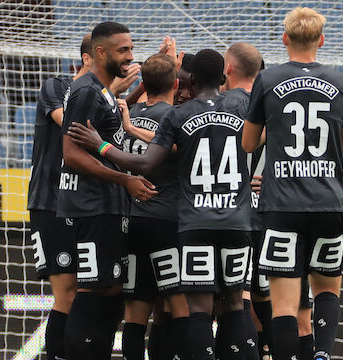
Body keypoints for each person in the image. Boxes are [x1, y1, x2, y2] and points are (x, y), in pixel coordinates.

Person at [67, 48, 253, 360]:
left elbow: (146, 163)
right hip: (235, 219)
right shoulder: (241, 105)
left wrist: (100, 144)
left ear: (190, 81)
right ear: (223, 78)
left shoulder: (178, 116)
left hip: (188, 223)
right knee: (235, 303)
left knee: (189, 309)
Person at [242, 7, 343, 360]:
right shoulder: (341, 81)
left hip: (281, 205)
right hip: (327, 202)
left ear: (284, 38)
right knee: (326, 290)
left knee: (285, 307)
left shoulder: (267, 79)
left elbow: (248, 143)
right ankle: (322, 353)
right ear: (321, 40)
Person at [57, 21, 157, 359]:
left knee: (113, 290)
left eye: (131, 48)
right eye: (123, 50)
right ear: (101, 53)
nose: (130, 55)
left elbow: (107, 128)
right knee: (93, 291)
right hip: (92, 206)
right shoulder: (86, 90)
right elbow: (70, 154)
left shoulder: (102, 91)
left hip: (109, 205)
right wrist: (124, 180)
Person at [119, 53, 191, 360]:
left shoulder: (130, 112)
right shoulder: (173, 117)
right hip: (166, 220)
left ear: (143, 83)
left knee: (136, 312)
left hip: (134, 221)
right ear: (176, 84)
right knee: (179, 305)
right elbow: (181, 149)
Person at [27, 33, 92, 360]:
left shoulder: (105, 95)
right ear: (89, 57)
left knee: (89, 293)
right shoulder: (56, 86)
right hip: (50, 202)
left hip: (87, 205)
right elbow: (68, 123)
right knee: (65, 293)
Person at [218, 41, 263, 360]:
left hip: (227, 210)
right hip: (268, 214)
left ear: (229, 68)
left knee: (231, 300)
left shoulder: (222, 104)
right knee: (260, 300)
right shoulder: (272, 106)